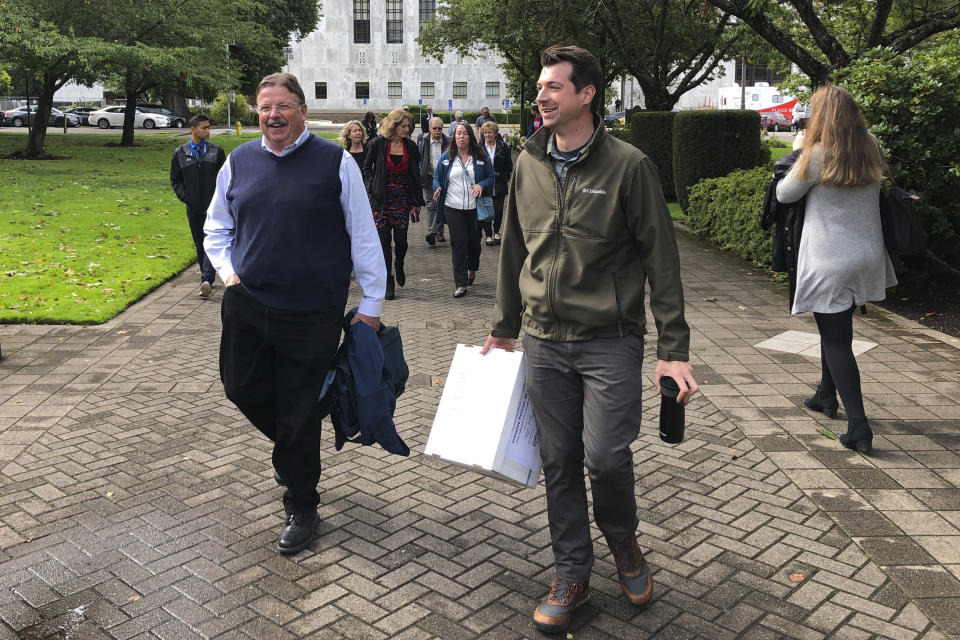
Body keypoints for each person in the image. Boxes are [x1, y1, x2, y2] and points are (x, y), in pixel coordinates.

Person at [480, 45, 698, 634]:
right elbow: (513, 251)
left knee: (604, 458)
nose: (542, 96)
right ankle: (571, 571)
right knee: (557, 461)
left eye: (554, 86)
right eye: (540, 87)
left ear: (586, 94)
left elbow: (663, 261)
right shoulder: (527, 163)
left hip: (610, 339)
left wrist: (672, 350)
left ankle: (623, 540)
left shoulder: (629, 167)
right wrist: (504, 328)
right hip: (544, 341)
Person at [203, 73, 386, 555]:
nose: (274, 116)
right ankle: (292, 445)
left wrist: (371, 304)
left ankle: (302, 502)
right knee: (239, 385)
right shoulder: (238, 162)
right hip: (248, 302)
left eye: (283, 106)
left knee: (300, 409)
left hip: (312, 311)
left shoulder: (335, 161)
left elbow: (363, 235)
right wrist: (228, 275)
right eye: (265, 108)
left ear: (302, 110)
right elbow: (216, 228)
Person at [776, 85, 896, 455]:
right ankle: (825, 395)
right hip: (868, 256)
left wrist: (798, 151)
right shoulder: (870, 145)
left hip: (830, 259)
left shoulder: (816, 154)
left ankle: (859, 424)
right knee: (836, 326)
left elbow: (784, 194)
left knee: (836, 338)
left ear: (821, 116)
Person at [363, 109, 424, 301]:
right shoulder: (378, 144)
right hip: (381, 199)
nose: (407, 129)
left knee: (402, 242)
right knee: (383, 244)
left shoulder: (411, 146)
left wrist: (416, 201)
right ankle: (388, 280)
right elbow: (366, 168)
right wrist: (372, 185)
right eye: (404, 126)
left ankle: (400, 263)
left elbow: (415, 175)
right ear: (394, 126)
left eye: (408, 126)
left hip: (402, 199)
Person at [432, 121, 493, 298]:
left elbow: (490, 178)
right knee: (458, 245)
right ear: (453, 137)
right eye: (458, 133)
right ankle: (460, 283)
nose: (461, 137)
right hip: (453, 207)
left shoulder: (480, 157)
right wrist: (437, 187)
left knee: (474, 245)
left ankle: (472, 268)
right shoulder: (446, 158)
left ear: (470, 137)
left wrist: (481, 185)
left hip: (474, 209)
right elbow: (437, 178)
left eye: (465, 133)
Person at [170, 114, 226, 298]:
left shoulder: (216, 152)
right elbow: (175, 179)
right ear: (193, 129)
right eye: (204, 128)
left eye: (209, 127)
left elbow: (224, 178)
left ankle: (207, 278)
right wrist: (185, 197)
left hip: (213, 206)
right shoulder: (180, 153)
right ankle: (206, 278)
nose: (208, 131)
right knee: (199, 243)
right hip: (193, 206)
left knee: (210, 239)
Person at [478, 121, 512, 246]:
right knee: (486, 209)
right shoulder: (478, 147)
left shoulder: (503, 146)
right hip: (484, 182)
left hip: (499, 182)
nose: (487, 135)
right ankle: (488, 234)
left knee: (498, 209)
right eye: (485, 133)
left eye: (490, 132)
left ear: (495, 133)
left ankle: (496, 231)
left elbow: (509, 164)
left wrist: (505, 177)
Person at [418, 116, 449, 246]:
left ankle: (437, 232)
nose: (437, 131)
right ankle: (433, 232)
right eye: (434, 128)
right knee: (432, 204)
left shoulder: (448, 142)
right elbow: (419, 159)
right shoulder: (422, 142)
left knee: (441, 204)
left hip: (444, 178)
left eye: (439, 128)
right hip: (428, 177)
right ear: (429, 129)